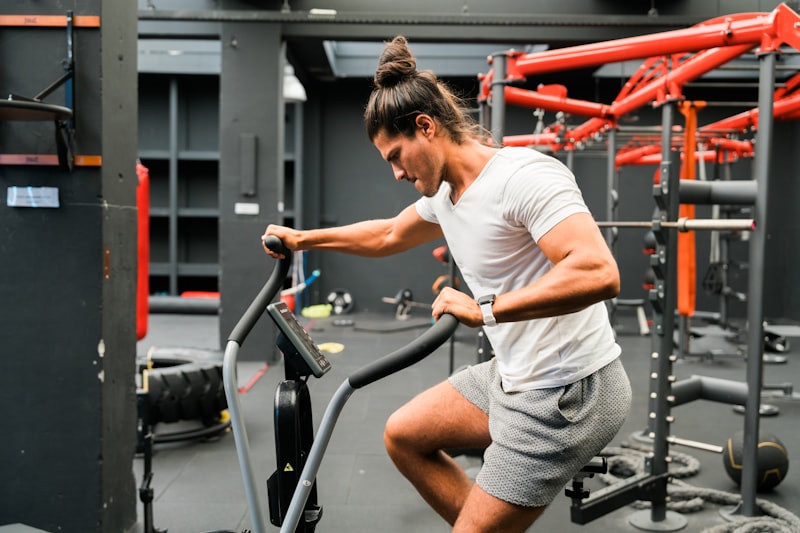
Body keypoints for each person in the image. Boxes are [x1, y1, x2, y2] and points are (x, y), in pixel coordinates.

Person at [263, 36, 632, 533]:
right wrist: (303, 238)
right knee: (403, 435)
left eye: (397, 156)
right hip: (514, 376)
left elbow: (598, 271)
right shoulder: (446, 194)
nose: (397, 173)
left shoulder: (522, 177)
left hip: (569, 392)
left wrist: (486, 308)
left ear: (426, 127)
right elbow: (388, 234)